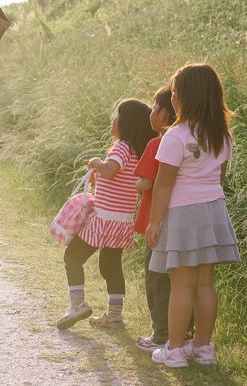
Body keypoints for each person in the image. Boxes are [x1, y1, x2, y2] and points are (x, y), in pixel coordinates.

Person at [145, 63, 240, 368]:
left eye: (175, 92)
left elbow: (164, 183)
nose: (172, 98)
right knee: (204, 284)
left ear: (187, 97)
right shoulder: (222, 135)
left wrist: (155, 222)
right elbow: (219, 178)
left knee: (182, 284)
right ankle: (203, 348)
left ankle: (174, 350)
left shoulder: (176, 136)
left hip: (183, 214)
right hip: (213, 211)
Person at [56, 99, 154, 330]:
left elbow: (110, 170)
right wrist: (98, 175)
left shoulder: (121, 147)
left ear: (126, 123)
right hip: (121, 221)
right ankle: (114, 315)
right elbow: (120, 179)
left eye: (117, 115)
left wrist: (96, 163)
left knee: (72, 257)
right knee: (110, 267)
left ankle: (78, 304)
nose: (113, 119)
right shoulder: (137, 152)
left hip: (103, 219)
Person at [132, 85, 181, 351]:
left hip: (156, 222)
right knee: (182, 281)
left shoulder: (157, 143)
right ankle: (185, 333)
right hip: (181, 220)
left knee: (155, 278)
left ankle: (161, 334)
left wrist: (134, 181)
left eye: (153, 108)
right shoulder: (188, 140)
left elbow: (146, 182)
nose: (151, 112)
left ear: (163, 114)